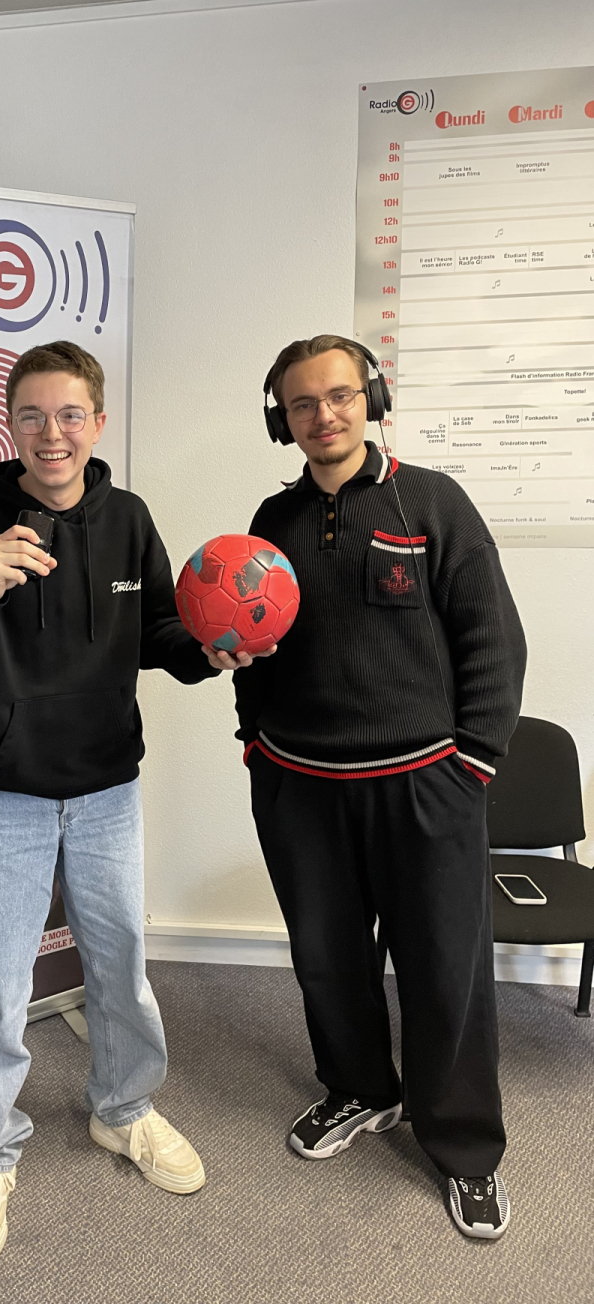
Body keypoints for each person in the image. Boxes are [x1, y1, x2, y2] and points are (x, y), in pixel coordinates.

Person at [0, 340, 257, 1268]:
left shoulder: (128, 519)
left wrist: (208, 652)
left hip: (106, 790)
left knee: (121, 965)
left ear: (98, 420)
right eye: (33, 416)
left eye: (70, 414)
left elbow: (158, 630)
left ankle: (123, 1110)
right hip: (1, 794)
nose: (53, 434)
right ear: (9, 426)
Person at [235, 334, 526, 1240]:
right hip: (301, 789)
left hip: (423, 789)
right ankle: (362, 1088)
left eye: (340, 395)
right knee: (328, 961)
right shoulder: (272, 519)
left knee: (446, 971)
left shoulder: (430, 501)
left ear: (372, 397)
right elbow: (252, 638)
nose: (323, 414)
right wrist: (253, 740)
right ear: (281, 419)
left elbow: (493, 639)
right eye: (302, 402)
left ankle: (465, 1147)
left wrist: (473, 765)